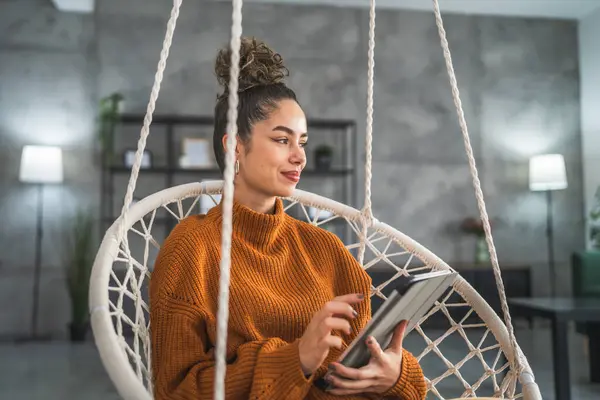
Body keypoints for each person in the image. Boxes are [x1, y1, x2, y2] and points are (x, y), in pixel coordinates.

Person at [149, 37, 427, 400]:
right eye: (283, 140)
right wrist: (296, 358)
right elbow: (176, 391)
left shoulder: (325, 248)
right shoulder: (193, 249)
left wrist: (395, 374)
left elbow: (364, 355)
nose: (300, 157)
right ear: (235, 146)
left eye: (303, 142)